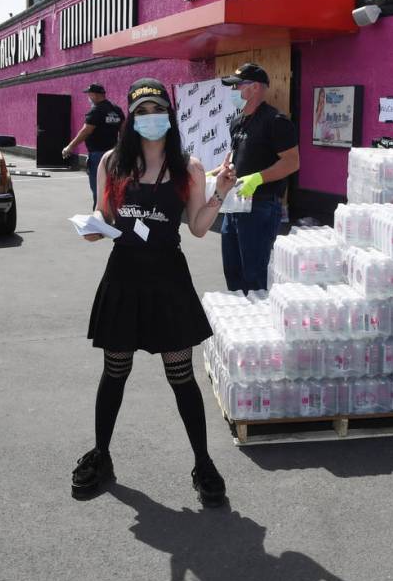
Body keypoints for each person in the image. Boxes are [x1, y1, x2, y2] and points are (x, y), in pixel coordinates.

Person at [72, 77, 238, 506]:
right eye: (141, 113)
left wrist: (220, 192)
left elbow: (199, 227)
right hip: (123, 275)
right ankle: (102, 455)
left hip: (168, 279)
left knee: (180, 374)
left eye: (157, 111)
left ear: (170, 115)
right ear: (130, 117)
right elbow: (103, 213)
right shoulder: (112, 162)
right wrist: (93, 227)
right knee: (115, 369)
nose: (150, 120)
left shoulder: (189, 167)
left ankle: (203, 463)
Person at [209, 63, 299, 293]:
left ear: (256, 87)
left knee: (254, 275)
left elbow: (291, 162)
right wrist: (220, 170)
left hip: (260, 206)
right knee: (233, 271)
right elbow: (237, 159)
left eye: (237, 86)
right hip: (234, 204)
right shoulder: (237, 122)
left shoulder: (276, 121)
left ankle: (257, 322)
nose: (233, 92)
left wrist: (258, 178)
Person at [62, 84, 125, 208]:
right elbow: (123, 131)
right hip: (115, 154)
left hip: (98, 155)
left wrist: (70, 147)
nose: (89, 97)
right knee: (113, 185)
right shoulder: (116, 110)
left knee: (98, 187)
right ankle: (114, 213)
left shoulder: (96, 110)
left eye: (89, 94)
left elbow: (86, 131)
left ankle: (100, 215)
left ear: (95, 95)